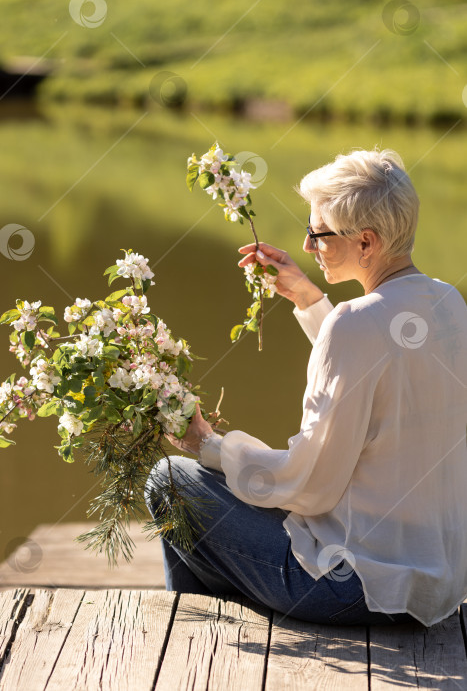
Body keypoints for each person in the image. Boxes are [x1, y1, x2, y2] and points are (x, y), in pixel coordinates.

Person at [144, 147, 467, 627]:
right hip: (433, 586)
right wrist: (308, 298)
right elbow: (377, 376)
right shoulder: (447, 301)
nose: (309, 244)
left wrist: (208, 446)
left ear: (366, 242)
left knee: (171, 479)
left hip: (358, 588)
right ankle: (239, 613)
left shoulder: (355, 325)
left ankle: (203, 637)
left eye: (318, 233)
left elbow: (309, 485)